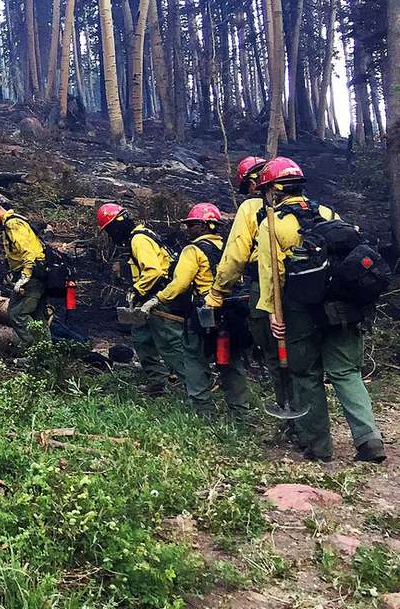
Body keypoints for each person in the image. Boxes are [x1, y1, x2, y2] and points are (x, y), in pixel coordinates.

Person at [253, 157, 384, 463]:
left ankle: (319, 447)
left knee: (306, 374)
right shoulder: (328, 213)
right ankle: (369, 440)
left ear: (273, 190)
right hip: (339, 306)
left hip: (300, 311)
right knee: (346, 372)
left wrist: (272, 313)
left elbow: (271, 275)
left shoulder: (271, 223)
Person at [204, 156, 291, 430]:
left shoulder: (251, 208)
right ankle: (311, 421)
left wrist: (218, 291)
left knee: (275, 353)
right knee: (302, 353)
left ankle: (290, 418)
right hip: (304, 286)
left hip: (265, 284)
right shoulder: (305, 206)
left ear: (254, 182)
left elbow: (236, 255)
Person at [147, 203, 247, 417]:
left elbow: (180, 283)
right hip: (233, 312)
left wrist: (157, 299)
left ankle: (203, 411)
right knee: (232, 361)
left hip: (205, 314)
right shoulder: (230, 247)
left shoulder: (193, 250)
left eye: (192, 224)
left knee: (194, 358)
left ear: (203, 226)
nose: (188, 229)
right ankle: (240, 412)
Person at [97, 202, 186, 396]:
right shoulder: (138, 235)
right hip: (147, 296)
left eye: (110, 230)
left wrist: (136, 290)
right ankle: (157, 381)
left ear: (117, 225)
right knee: (141, 338)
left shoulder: (139, 239)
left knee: (168, 342)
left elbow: (153, 271)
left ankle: (191, 385)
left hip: (158, 295)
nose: (111, 235)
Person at [0, 193, 48, 343]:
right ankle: (46, 351)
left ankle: (35, 348)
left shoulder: (13, 224)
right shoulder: (9, 224)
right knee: (37, 316)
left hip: (33, 275)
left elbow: (29, 252)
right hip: (34, 273)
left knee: (17, 314)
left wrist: (25, 276)